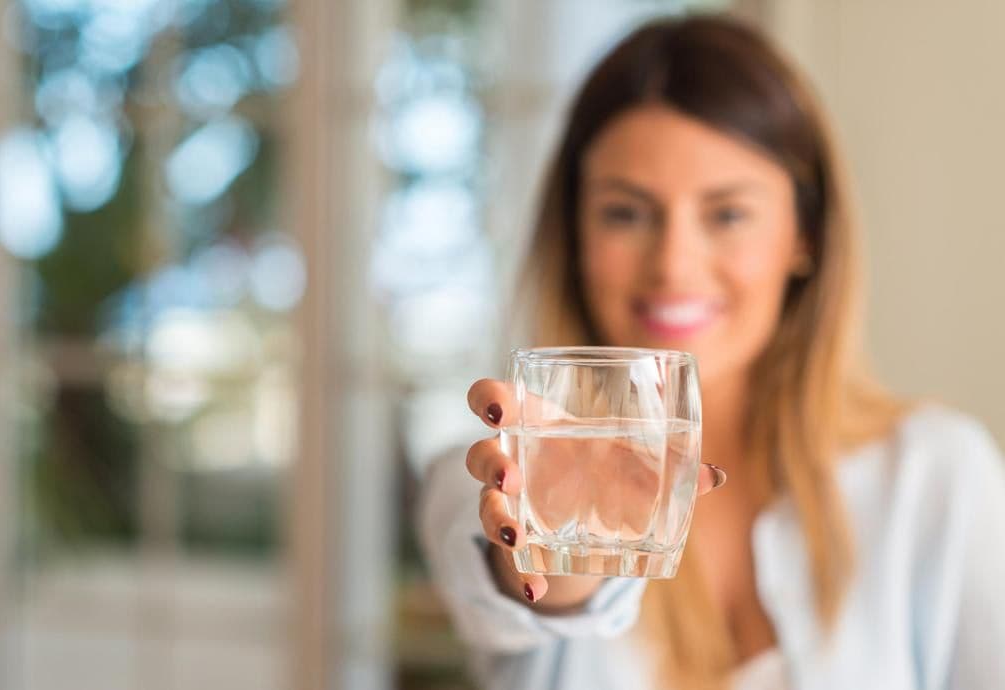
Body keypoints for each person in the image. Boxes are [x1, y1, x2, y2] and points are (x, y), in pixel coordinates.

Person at [417, 13, 1005, 690]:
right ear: (574, 234)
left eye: (727, 214)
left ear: (804, 236)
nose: (673, 265)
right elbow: (501, 585)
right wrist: (557, 553)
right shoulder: (489, 474)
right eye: (625, 213)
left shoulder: (937, 478)